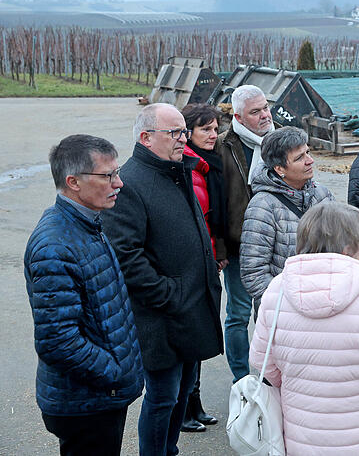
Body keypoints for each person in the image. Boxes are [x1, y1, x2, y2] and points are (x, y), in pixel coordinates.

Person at [102, 103, 223, 456]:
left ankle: (169, 449)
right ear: (146, 137)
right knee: (163, 396)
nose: (183, 139)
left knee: (182, 392)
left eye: (184, 131)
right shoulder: (131, 183)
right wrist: (169, 293)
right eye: (175, 133)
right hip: (161, 315)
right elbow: (126, 256)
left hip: (189, 309)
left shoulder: (177, 171)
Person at [249, 201, 359, 455]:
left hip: (300, 436)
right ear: (349, 248)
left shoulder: (277, 292)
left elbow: (263, 362)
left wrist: (296, 386)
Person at [24, 135, 144, 456]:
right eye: (108, 176)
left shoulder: (86, 224)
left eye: (116, 173)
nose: (119, 183)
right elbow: (57, 340)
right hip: (86, 401)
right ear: (73, 182)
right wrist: (114, 371)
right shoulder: (55, 246)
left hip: (98, 395)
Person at [214, 84, 273, 382]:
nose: (265, 115)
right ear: (238, 115)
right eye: (256, 111)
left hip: (274, 244)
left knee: (269, 313)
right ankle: (241, 380)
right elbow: (215, 202)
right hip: (238, 246)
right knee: (237, 313)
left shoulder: (279, 140)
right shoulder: (223, 146)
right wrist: (220, 248)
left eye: (265, 107)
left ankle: (268, 375)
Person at [240, 126, 334, 305]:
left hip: (325, 303)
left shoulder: (323, 195)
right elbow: (254, 273)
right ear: (279, 169)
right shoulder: (263, 207)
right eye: (300, 158)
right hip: (284, 312)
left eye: (308, 152)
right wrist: (289, 304)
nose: (310, 161)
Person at [179, 103, 225, 432]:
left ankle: (193, 405)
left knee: (200, 335)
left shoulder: (208, 164)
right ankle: (184, 409)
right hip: (196, 262)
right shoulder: (189, 168)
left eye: (214, 128)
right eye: (205, 129)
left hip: (209, 258)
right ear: (189, 133)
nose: (213, 135)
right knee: (191, 336)